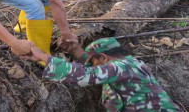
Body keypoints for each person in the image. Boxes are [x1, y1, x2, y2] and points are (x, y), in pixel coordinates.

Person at [24, 38, 182, 111]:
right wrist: (74, 50)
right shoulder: (128, 65)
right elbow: (93, 66)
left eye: (93, 61)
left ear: (104, 58)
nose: (91, 65)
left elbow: (87, 75)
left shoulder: (121, 67)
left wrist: (43, 57)